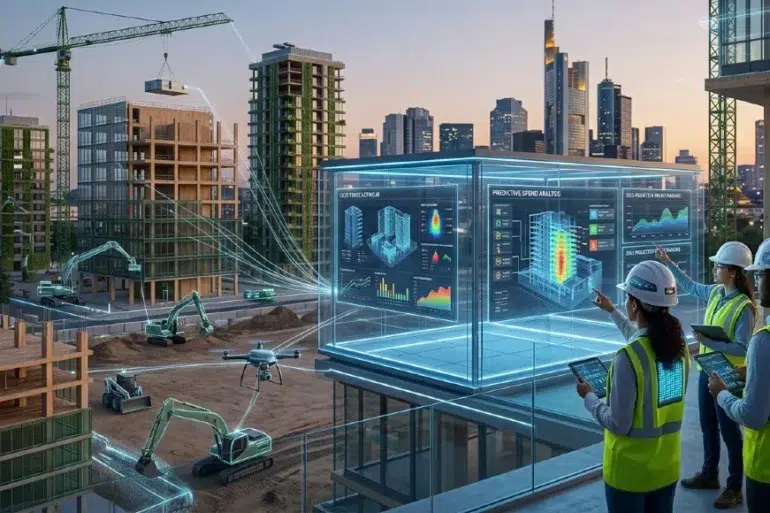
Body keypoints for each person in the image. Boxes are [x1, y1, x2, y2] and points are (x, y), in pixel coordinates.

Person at [577, 260, 689, 513]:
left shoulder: (628, 357)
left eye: (627, 298)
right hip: (666, 468)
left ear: (636, 304)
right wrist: (612, 311)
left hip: (630, 475)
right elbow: (642, 337)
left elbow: (618, 423)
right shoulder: (679, 350)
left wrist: (590, 398)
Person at [657, 241, 755, 508]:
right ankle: (709, 475)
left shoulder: (744, 306)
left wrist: (708, 342)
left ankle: (734, 487)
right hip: (706, 372)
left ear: (733, 272)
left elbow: (743, 346)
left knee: (730, 432)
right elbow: (689, 286)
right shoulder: (714, 293)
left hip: (728, 376)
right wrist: (669, 263)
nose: (715, 269)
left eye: (719, 266)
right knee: (708, 426)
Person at [708, 238, 770, 512]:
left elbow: (753, 416)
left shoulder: (764, 341)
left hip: (766, 468)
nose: (757, 282)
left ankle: (733, 487)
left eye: (761, 274)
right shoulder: (716, 294)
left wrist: (721, 394)